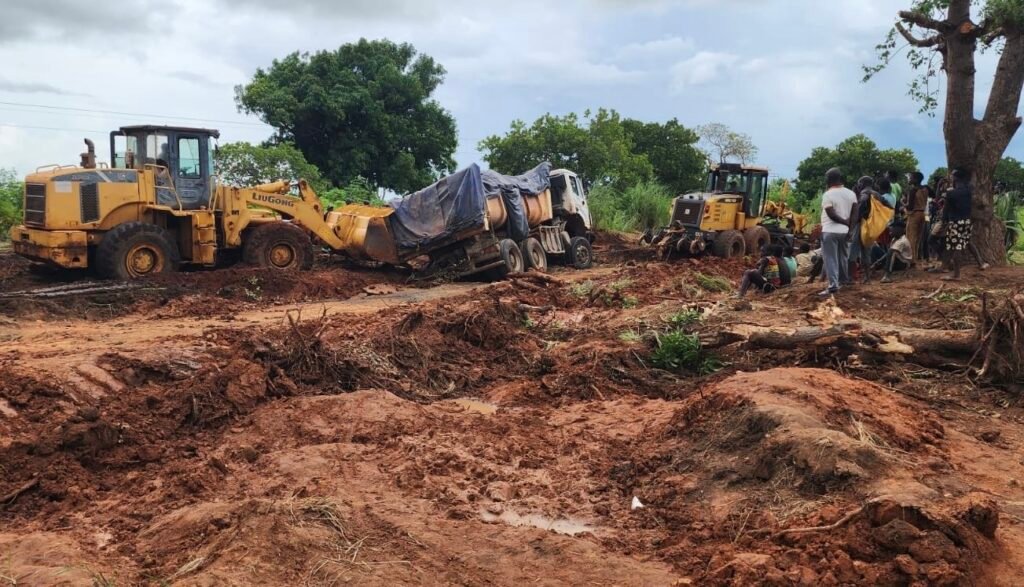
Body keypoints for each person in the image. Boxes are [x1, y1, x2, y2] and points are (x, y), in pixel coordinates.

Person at [942, 168, 989, 280]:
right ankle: (981, 263)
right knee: (968, 242)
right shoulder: (969, 190)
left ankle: (956, 274)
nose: (951, 177)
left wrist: (944, 220)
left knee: (956, 246)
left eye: (952, 176)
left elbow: (946, 209)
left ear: (956, 178)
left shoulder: (951, 193)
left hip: (955, 222)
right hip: (967, 221)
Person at [819, 168, 858, 296]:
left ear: (829, 179)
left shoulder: (828, 194)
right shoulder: (851, 193)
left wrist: (843, 222)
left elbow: (831, 214)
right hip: (845, 232)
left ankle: (833, 286)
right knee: (843, 257)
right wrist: (850, 228)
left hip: (830, 230)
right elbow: (854, 213)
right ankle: (843, 281)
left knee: (830, 259)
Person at [848, 176, 877, 284]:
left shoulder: (864, 194)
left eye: (859, 183)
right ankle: (867, 278)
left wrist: (852, 226)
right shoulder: (877, 194)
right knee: (866, 252)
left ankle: (850, 278)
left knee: (853, 252)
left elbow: (858, 211)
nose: (858, 185)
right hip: (871, 227)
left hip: (861, 225)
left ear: (863, 183)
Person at [905, 171, 929, 266]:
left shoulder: (913, 190)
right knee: (918, 238)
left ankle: (911, 260)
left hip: (914, 214)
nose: (909, 179)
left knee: (911, 237)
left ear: (915, 179)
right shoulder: (925, 189)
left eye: (910, 177)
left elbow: (910, 206)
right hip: (922, 214)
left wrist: (903, 204)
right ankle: (915, 258)